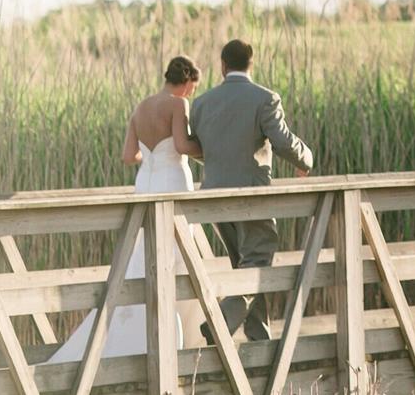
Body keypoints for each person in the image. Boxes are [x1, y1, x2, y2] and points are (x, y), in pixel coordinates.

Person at [48, 56, 203, 363]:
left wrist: (152, 156)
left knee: (144, 255)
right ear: (186, 81)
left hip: (145, 183)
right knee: (175, 253)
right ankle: (174, 332)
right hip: (172, 182)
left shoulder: (141, 107)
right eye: (192, 88)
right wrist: (209, 152)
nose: (191, 94)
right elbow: (183, 147)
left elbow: (127, 155)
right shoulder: (177, 105)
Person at [189, 38, 314, 342]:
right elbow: (283, 142)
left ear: (223, 65)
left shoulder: (203, 102)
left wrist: (218, 161)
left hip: (215, 197)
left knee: (243, 266)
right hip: (251, 197)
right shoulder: (264, 98)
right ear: (251, 64)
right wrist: (306, 158)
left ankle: (259, 339)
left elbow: (197, 146)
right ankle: (218, 323)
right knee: (257, 265)